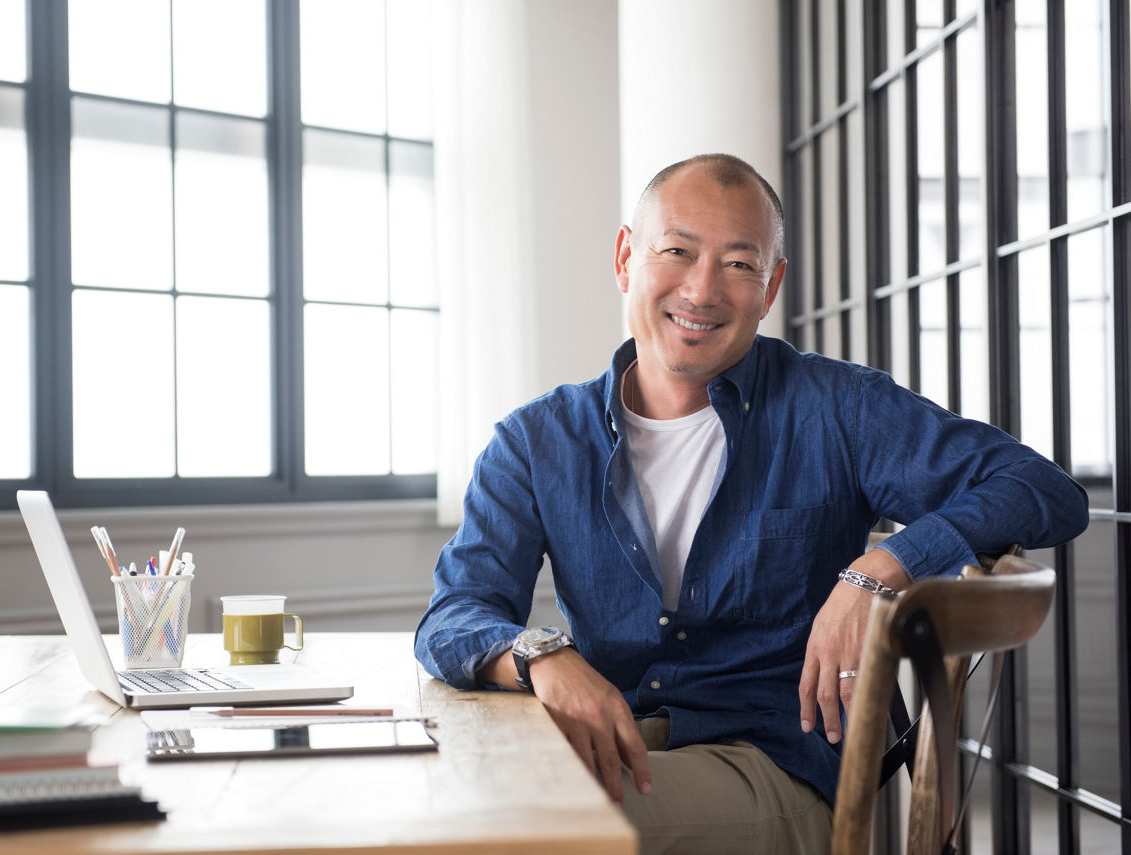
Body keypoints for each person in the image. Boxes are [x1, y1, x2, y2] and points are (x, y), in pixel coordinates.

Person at [413, 153, 1089, 854]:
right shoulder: (535, 441)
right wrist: (544, 655)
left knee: (529, 831)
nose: (702, 290)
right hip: (624, 736)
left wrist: (881, 568)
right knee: (442, 807)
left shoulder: (839, 408)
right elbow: (453, 615)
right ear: (625, 256)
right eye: (676, 251)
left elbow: (1044, 490)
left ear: (771, 287)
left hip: (770, 762)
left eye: (739, 264)